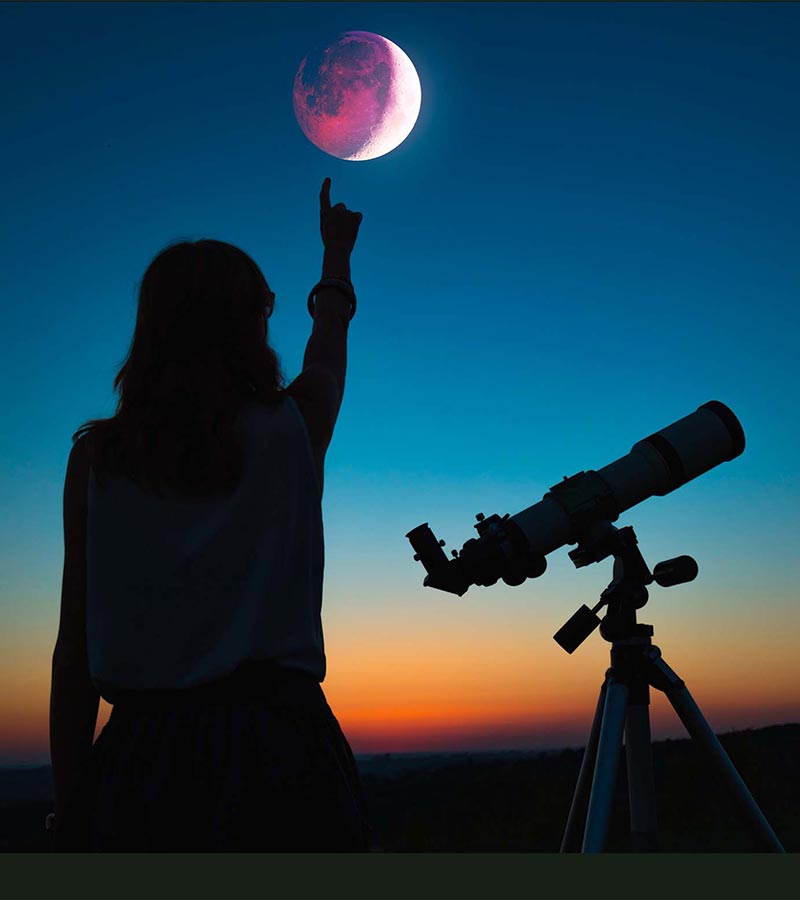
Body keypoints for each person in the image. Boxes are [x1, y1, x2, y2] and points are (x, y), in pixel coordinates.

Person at [48, 178, 371, 851]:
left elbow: (73, 653)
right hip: (282, 753)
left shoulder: (96, 460)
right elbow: (328, 350)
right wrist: (335, 258)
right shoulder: (293, 428)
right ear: (249, 323)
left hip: (140, 761)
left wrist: (72, 800)